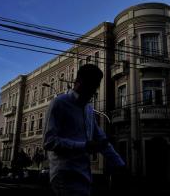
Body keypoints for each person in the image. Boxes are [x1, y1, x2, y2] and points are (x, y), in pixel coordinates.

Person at [43, 64, 125, 196]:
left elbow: (101, 139)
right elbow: (49, 142)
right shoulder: (59, 103)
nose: (94, 91)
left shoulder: (88, 109)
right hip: (64, 175)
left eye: (96, 86)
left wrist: (119, 164)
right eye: (91, 85)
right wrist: (84, 145)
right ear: (79, 82)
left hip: (85, 176)